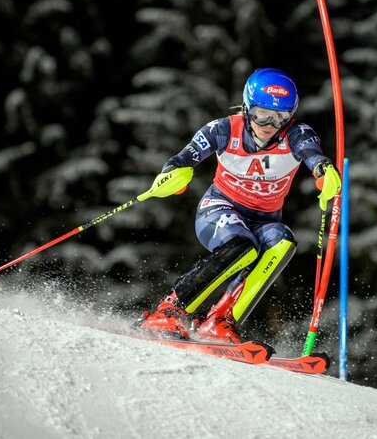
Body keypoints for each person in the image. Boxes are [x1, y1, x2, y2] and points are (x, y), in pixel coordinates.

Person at [134, 68, 341, 343]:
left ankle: (220, 320)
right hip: (219, 208)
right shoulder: (223, 129)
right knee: (243, 247)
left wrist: (324, 171)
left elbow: (313, 155)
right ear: (246, 107)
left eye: (280, 116)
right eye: (260, 113)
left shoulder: (296, 134)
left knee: (282, 243)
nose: (269, 124)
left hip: (264, 220)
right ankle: (169, 309)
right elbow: (182, 158)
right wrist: (173, 174)